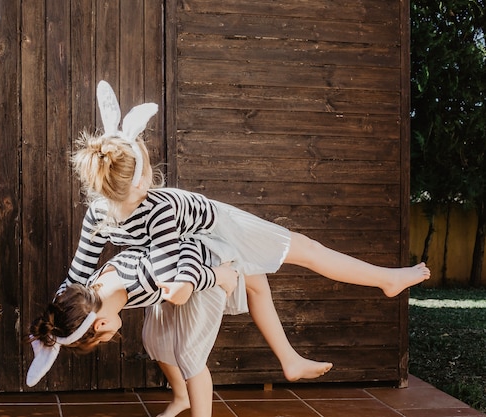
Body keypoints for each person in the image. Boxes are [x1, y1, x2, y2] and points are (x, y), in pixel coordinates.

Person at [67, 80, 431, 382]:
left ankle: (291, 357)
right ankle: (386, 280)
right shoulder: (153, 208)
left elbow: (76, 279)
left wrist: (55, 326)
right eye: (144, 178)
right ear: (126, 189)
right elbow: (152, 268)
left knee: (260, 281)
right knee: (306, 249)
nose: (150, 182)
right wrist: (60, 328)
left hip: (201, 232)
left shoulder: (100, 211)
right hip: (216, 229)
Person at [27, 239, 238, 417]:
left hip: (203, 264)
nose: (105, 340)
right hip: (170, 289)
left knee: (189, 354)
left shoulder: (145, 278)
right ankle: (182, 398)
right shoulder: (91, 292)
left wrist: (220, 275)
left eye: (99, 340)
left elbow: (185, 249)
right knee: (154, 340)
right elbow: (64, 307)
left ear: (100, 325)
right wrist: (51, 340)